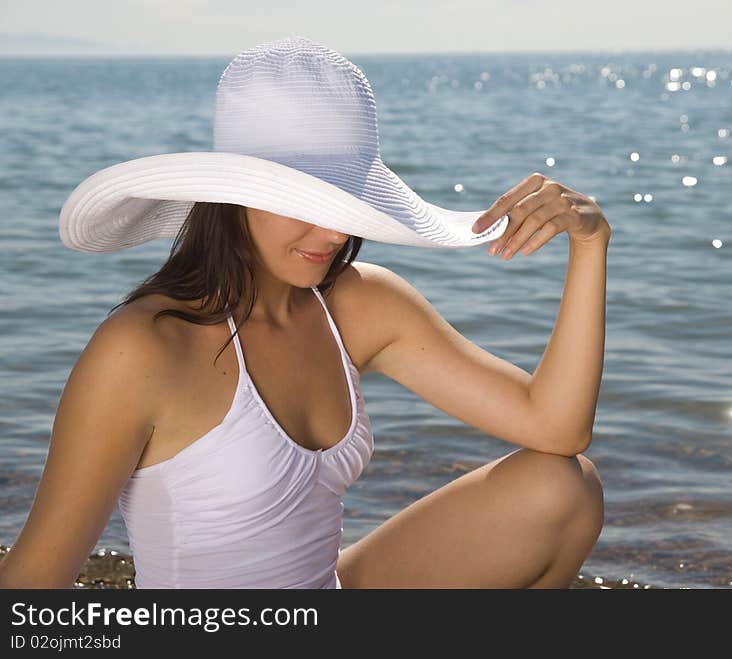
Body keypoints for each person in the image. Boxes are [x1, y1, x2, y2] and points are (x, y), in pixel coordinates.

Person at [0, 35, 609, 589]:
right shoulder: (145, 348)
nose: (332, 232)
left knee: (563, 488)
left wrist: (589, 245)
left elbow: (554, 426)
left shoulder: (359, 304)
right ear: (236, 195)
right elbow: (31, 587)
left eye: (346, 202)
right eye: (303, 201)